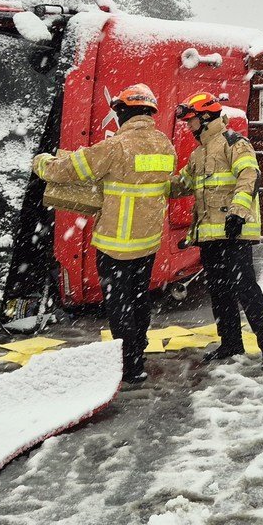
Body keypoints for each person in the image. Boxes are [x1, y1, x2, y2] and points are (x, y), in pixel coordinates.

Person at [31, 83, 176, 383]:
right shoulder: (165, 145)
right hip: (148, 242)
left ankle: (129, 365)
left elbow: (69, 169)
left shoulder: (115, 146)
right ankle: (138, 351)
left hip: (116, 243)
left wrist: (42, 163)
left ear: (124, 112)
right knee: (139, 299)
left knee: (119, 304)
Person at [170, 91, 263, 371]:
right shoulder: (199, 153)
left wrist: (237, 213)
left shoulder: (234, 143)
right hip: (210, 236)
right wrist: (146, 182)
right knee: (219, 291)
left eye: (191, 120)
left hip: (233, 233)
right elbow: (181, 184)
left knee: (245, 289)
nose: (188, 125)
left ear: (206, 118)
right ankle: (230, 343)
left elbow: (250, 175)